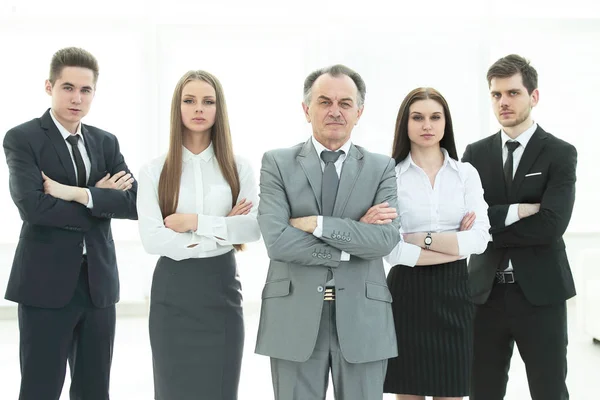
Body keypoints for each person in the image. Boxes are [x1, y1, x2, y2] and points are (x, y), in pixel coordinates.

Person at [255, 64, 400, 400]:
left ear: (359, 112)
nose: (335, 111)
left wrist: (317, 224)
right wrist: (351, 245)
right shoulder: (277, 163)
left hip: (364, 319)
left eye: (345, 103)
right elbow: (277, 241)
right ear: (307, 110)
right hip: (293, 316)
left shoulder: (382, 168)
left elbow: (384, 239)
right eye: (324, 102)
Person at [3, 47, 138, 400]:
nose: (77, 98)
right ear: (49, 87)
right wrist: (98, 197)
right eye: (68, 88)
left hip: (98, 285)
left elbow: (133, 203)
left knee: (95, 390)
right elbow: (33, 207)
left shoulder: (105, 142)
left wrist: (75, 193)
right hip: (44, 285)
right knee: (40, 388)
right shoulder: (23, 138)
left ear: (94, 92)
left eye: (85, 90)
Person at [137, 70, 261, 400]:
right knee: (172, 390)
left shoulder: (239, 167)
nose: (198, 108)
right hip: (172, 291)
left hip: (220, 289)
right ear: (177, 108)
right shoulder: (154, 170)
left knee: (221, 390)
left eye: (208, 101)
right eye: (189, 100)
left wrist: (194, 221)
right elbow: (153, 239)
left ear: (219, 109)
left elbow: (251, 228)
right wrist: (223, 228)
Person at [462, 54, 577, 400]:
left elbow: (551, 225)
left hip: (541, 295)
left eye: (512, 93)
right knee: (482, 391)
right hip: (484, 294)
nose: (503, 102)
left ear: (533, 96)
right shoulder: (474, 154)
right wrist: (518, 211)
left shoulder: (559, 153)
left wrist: (489, 223)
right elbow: (464, 222)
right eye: (496, 95)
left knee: (549, 390)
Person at [383, 87, 490, 400]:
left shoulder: (465, 174)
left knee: (452, 391)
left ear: (446, 124)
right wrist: (454, 242)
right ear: (405, 124)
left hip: (455, 293)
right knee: (409, 393)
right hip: (406, 295)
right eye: (417, 117)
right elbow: (393, 251)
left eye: (434, 117)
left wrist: (422, 239)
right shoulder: (389, 175)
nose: (426, 125)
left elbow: (480, 239)